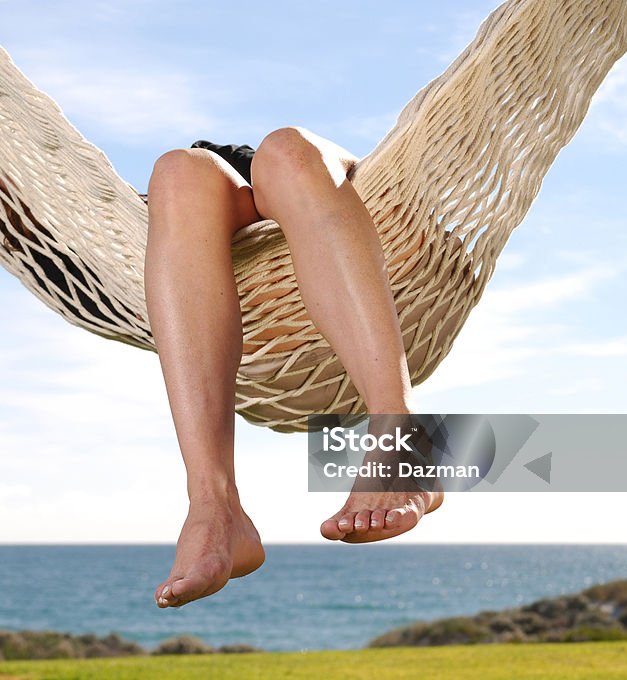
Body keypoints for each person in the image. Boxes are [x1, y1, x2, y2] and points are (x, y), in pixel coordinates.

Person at [144, 127, 443, 609]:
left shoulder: (298, 166)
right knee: (177, 171)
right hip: (219, 222)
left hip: (332, 211)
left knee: (285, 151)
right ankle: (213, 506)